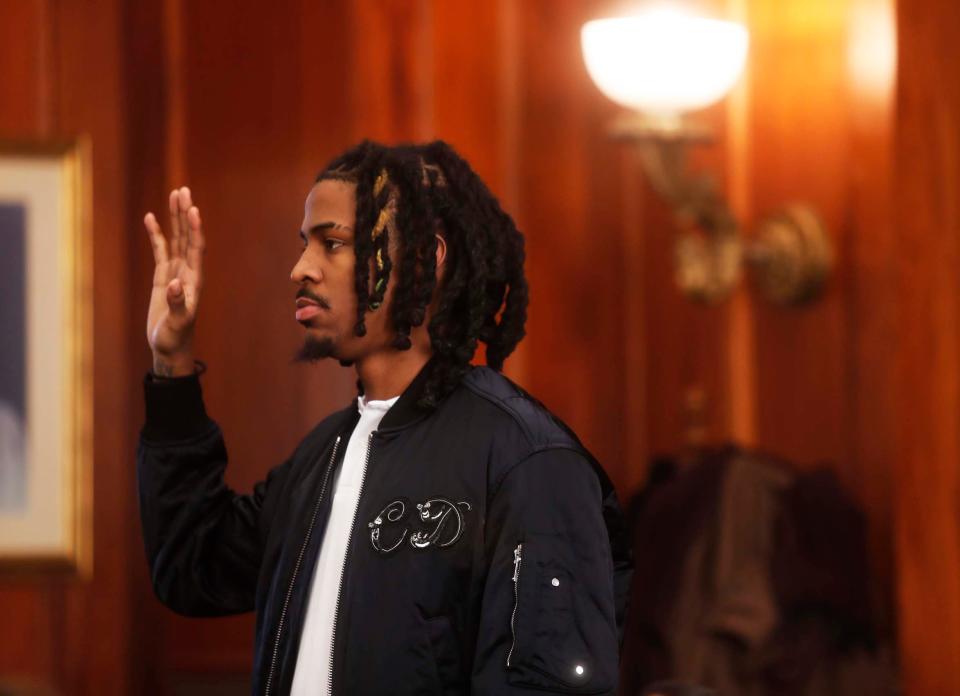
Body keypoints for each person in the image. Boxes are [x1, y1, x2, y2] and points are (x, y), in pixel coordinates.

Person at [137, 140, 633, 695]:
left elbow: (548, 682)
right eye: (306, 245)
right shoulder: (321, 457)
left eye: (334, 243)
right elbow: (192, 566)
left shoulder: (528, 459)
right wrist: (171, 359)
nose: (301, 268)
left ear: (427, 257)